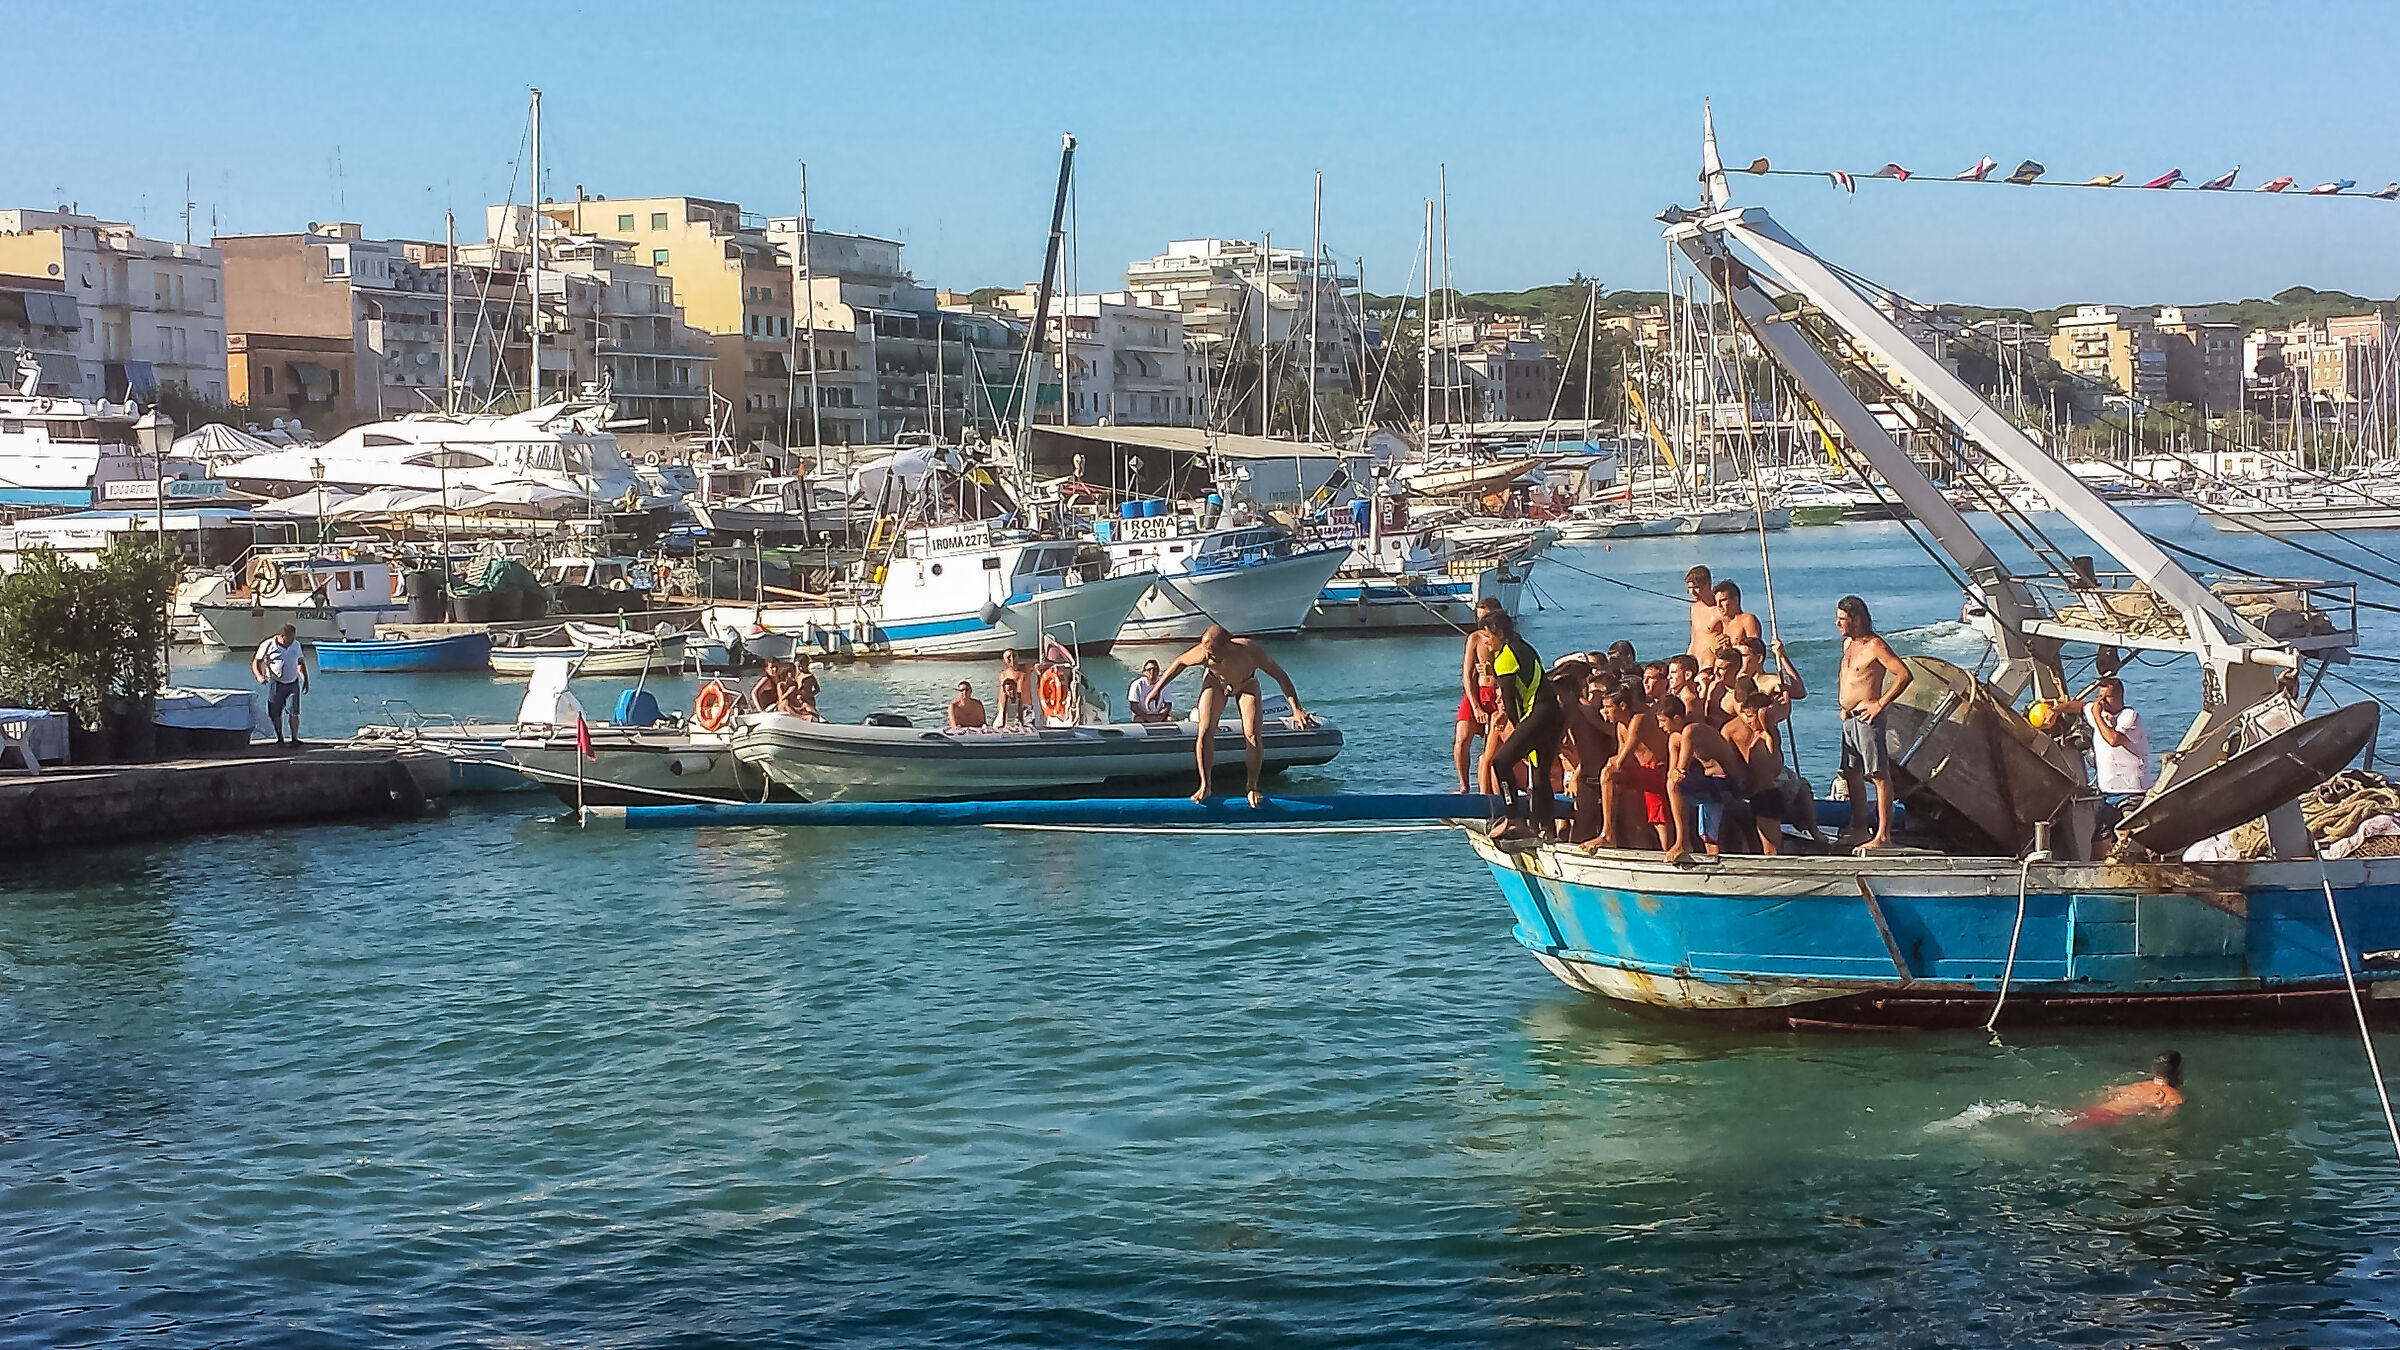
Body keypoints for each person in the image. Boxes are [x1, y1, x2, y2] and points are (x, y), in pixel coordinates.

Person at [1151, 626, 1315, 807]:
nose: (1209, 656)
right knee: (1205, 730)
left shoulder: (1250, 651)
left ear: (1227, 646)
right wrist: (1157, 689)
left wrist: (1296, 708)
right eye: (1207, 652)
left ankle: (1252, 786)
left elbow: (1280, 676)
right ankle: (1205, 785)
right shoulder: (1204, 653)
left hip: (1246, 684)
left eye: (1213, 652)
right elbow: (1180, 663)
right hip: (1216, 682)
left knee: (1252, 734)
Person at [1476, 610, 1565, 838]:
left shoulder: (1505, 658)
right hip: (1552, 716)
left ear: (1500, 633)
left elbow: (1509, 700)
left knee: (1501, 762)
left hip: (1537, 716)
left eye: (1487, 637)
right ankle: (1544, 828)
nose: (1485, 642)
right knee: (1539, 773)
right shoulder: (1524, 646)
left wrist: (1518, 733)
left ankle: (1514, 818)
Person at [1836, 595, 1914, 854]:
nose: (1838, 624)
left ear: (1856, 619)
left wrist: (1879, 703)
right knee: (1852, 773)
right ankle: (1859, 827)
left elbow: (1903, 674)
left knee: (1878, 775)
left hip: (1868, 718)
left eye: (1842, 619)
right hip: (1849, 717)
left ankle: (1883, 835)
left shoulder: (1875, 646)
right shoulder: (1848, 643)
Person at [1664, 696, 1744, 864]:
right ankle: (1688, 841)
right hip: (1711, 782)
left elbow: (1681, 770)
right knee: (1672, 784)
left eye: (1663, 721)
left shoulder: (1691, 731)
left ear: (1677, 718)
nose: (1660, 726)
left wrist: (1675, 775)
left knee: (1675, 786)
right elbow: (1672, 772)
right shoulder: (1674, 738)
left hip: (1729, 782)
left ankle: (1682, 842)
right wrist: (1674, 775)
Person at [1595, 689, 1675, 851]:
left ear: (1623, 706)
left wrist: (1610, 765)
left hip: (1657, 772)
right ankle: (1636, 847)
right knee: (1621, 791)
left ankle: (1608, 834)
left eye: (1608, 707)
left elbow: (1621, 760)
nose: (1604, 711)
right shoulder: (1620, 726)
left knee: (1608, 774)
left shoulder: (1639, 720)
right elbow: (1622, 759)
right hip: (1641, 772)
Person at [1454, 598, 1506, 793]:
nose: (1482, 625)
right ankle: (1464, 786)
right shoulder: (1475, 639)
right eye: (1479, 619)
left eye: (1486, 619)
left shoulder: (1508, 639)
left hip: (1499, 693)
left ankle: (1490, 789)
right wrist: (1475, 706)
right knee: (1462, 738)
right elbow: (1467, 675)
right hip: (1478, 692)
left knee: (1491, 750)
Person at [1727, 691, 1788, 855]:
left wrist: (1765, 707)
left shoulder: (1769, 735)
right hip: (1757, 795)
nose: (1747, 721)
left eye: (1750, 716)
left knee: (1771, 844)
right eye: (1745, 716)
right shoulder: (1755, 735)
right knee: (1761, 841)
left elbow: (1765, 715)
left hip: (1768, 794)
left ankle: (1776, 870)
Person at [2069, 1052, 2184, 1129]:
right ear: (2178, 1071)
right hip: (2111, 1120)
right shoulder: (2173, 1097)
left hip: (2095, 1110)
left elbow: (2105, 1093)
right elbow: (2164, 1123)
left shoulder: (2137, 1086)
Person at [2087, 676, 2152, 796]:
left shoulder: (2130, 716)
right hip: (2107, 790)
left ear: (2119, 695)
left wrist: (2097, 716)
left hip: (2131, 790)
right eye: (2100, 697)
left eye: (2107, 697)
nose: (2102, 702)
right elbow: (2079, 706)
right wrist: (2056, 709)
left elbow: (2113, 740)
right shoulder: (2098, 712)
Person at [252, 624, 310, 746]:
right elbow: (256, 661)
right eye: (290, 638)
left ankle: (294, 738)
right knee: (275, 712)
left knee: (294, 711)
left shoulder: (296, 645)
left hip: (292, 682)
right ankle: (280, 738)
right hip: (276, 682)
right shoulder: (268, 644)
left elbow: (300, 662)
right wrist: (259, 676)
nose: (292, 641)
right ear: (282, 637)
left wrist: (305, 679)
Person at [1686, 564, 1727, 661]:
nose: (1692, 592)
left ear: (1708, 584)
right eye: (1689, 588)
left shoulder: (1720, 609)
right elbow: (1694, 640)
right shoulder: (1694, 608)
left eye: (1696, 587)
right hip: (1695, 661)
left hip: (1712, 663)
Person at [1713, 580, 1764, 652]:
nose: (1718, 605)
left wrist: (1732, 648)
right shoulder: (1721, 623)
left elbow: (1755, 649)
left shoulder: (1747, 619)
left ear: (1735, 600)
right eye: (1716, 602)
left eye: (1723, 600)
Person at [1128, 659, 1175, 724]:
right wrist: (1147, 717)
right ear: (1144, 672)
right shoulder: (1136, 684)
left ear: (1158, 671)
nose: (1152, 672)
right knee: (1138, 720)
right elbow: (1133, 706)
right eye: (1149, 669)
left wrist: (1160, 716)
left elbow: (1168, 705)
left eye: (1154, 669)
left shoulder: (1164, 684)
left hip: (1159, 714)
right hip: (1142, 715)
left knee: (1170, 719)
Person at [997, 650, 1034, 729]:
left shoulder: (1026, 669)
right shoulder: (1003, 675)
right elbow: (1002, 694)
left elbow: (1039, 666)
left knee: (1028, 730)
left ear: (1018, 657)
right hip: (1011, 707)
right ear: (1004, 660)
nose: (1012, 659)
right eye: (1008, 657)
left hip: (1025, 707)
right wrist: (1001, 711)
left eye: (1014, 656)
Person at [788, 656, 826, 722]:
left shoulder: (810, 677)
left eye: (802, 666)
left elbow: (817, 689)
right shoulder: (797, 676)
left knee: (809, 709)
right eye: (799, 666)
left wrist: (810, 695)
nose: (801, 668)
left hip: (808, 699)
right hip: (799, 699)